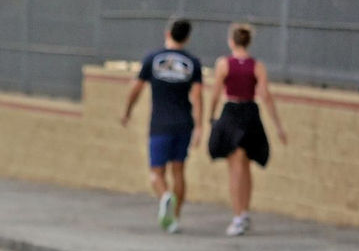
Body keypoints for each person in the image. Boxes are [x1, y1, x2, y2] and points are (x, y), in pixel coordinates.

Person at [120, 18, 204, 234]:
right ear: (187, 38)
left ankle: (165, 196)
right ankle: (174, 218)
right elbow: (197, 97)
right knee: (179, 171)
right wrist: (200, 127)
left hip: (160, 124)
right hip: (183, 124)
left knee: (156, 172)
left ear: (167, 33)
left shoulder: (153, 58)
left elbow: (136, 89)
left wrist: (127, 111)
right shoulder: (193, 62)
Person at [207, 23, 288, 236]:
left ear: (231, 41)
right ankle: (244, 212)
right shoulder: (256, 66)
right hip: (250, 114)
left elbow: (216, 93)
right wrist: (278, 126)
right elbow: (266, 96)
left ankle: (237, 215)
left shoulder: (224, 64)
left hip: (232, 112)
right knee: (246, 166)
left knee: (235, 168)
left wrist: (210, 117)